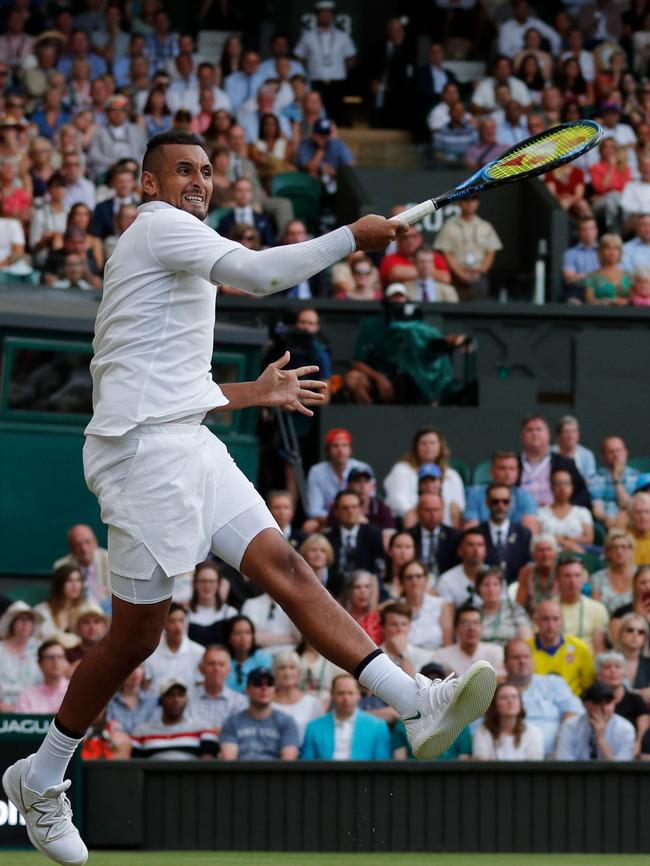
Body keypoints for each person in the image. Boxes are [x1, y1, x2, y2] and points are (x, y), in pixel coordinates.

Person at [4, 130, 495, 866]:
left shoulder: (181, 246)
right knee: (136, 637)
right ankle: (41, 775)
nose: (198, 181)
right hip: (142, 458)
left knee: (288, 569)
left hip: (188, 442)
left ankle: (415, 703)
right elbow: (264, 276)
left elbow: (163, 380)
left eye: (206, 171)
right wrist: (355, 237)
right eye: (182, 171)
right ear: (146, 183)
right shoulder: (157, 227)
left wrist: (248, 392)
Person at [505, 639, 583, 757]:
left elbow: (574, 714)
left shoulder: (554, 683)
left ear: (533, 661)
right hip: (509, 760)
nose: (522, 661)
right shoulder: (495, 691)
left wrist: (561, 747)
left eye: (526, 657)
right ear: (505, 663)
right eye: (516, 658)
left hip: (554, 758)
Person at [384, 427, 465, 527]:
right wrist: (423, 517)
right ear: (416, 447)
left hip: (444, 527)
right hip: (410, 524)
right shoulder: (401, 469)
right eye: (423, 443)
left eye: (432, 443)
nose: (428, 447)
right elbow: (396, 501)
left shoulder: (452, 475)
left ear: (441, 446)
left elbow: (458, 505)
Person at [301, 673, 391, 760]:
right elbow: (306, 767)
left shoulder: (378, 727)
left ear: (358, 695)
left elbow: (382, 766)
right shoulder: (313, 728)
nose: (346, 698)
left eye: (350, 693)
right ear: (332, 695)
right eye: (340, 693)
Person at [293, 1, 357, 123]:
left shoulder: (343, 36)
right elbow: (299, 56)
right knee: (316, 112)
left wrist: (340, 70)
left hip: (337, 82)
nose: (326, 16)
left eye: (329, 13)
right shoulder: (308, 36)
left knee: (338, 114)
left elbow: (351, 58)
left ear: (333, 15)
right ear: (317, 15)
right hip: (316, 81)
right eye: (323, 13)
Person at [220, 666, 300, 760]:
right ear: (247, 690)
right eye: (258, 683)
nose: (264, 688)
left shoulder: (287, 722)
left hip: (276, 774)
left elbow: (288, 762)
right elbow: (229, 760)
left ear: (274, 689)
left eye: (269, 684)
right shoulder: (232, 722)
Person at [433, 195, 502, 301]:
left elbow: (491, 252)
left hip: (479, 276)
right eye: (465, 199)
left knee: (480, 308)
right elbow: (446, 252)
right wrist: (459, 273)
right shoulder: (449, 226)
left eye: (473, 199)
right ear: (458, 203)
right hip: (456, 277)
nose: (469, 203)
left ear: (478, 202)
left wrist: (481, 271)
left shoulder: (485, 226)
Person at [131, 677, 218, 760]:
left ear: (186, 700)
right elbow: (135, 767)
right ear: (161, 700)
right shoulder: (141, 732)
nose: (176, 700)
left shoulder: (202, 729)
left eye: (181, 695)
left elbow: (208, 766)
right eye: (170, 695)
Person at [304, 428, 373, 531]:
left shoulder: (363, 468)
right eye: (335, 446)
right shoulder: (317, 471)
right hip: (329, 519)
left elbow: (370, 500)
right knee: (310, 526)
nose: (340, 450)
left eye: (344, 445)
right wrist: (341, 517)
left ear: (350, 449)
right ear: (328, 450)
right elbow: (314, 510)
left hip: (357, 516)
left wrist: (353, 515)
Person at [517, 414, 590, 509]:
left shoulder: (565, 463)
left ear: (548, 435)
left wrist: (564, 512)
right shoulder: (512, 464)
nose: (534, 434)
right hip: (521, 517)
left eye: (539, 429)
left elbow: (582, 495)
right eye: (529, 430)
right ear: (522, 437)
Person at [555, 681, 636, 761]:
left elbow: (621, 770)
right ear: (585, 704)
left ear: (614, 703)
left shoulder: (625, 729)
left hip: (609, 774)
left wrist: (601, 739)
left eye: (607, 702)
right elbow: (564, 764)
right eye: (597, 703)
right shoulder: (570, 726)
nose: (603, 708)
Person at [529, 600, 595, 696]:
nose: (550, 625)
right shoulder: (525, 650)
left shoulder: (580, 648)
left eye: (555, 619)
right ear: (536, 621)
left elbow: (589, 686)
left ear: (562, 621)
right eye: (545, 619)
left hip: (573, 706)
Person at [464, 451, 539, 534]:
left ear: (518, 473)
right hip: (483, 543)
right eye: (502, 468)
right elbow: (470, 529)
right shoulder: (475, 494)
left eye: (512, 469)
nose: (507, 473)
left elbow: (530, 532)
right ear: (492, 472)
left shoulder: (526, 496)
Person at [325, 490, 386, 592]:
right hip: (335, 592)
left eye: (354, 507)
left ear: (360, 510)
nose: (350, 511)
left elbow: (379, 568)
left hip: (367, 590)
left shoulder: (373, 533)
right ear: (336, 512)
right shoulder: (328, 538)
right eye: (345, 508)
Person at [477, 482, 532, 584]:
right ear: (487, 503)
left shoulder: (524, 535)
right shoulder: (477, 534)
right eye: (495, 502)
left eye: (505, 501)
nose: (500, 506)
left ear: (511, 504)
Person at [472, 682, 544, 760]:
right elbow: (482, 767)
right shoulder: (482, 732)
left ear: (520, 702)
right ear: (494, 704)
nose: (510, 701)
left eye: (514, 697)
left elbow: (535, 768)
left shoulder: (534, 732)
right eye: (504, 698)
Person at [596, 651, 649, 755]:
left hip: (631, 753)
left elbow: (644, 732)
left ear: (624, 673)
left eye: (618, 667)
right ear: (599, 675)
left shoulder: (636, 699)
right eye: (607, 667)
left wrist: (637, 747)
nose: (613, 671)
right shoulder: (593, 701)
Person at [143, 603, 204, 693]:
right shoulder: (151, 652)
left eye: (181, 620)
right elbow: (146, 686)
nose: (178, 627)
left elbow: (201, 685)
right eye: (172, 621)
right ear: (164, 624)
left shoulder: (199, 652)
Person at [188, 645, 248, 734]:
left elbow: (241, 732)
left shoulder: (239, 701)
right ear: (201, 669)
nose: (216, 669)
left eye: (221, 664)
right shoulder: (188, 697)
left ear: (228, 670)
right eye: (211, 664)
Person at [555, 556, 609, 655]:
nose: (572, 581)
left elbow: (599, 649)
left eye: (577, 575)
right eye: (567, 576)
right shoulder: (547, 608)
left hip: (587, 664)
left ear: (583, 578)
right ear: (557, 579)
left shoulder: (598, 609)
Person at [87, 95, 147, 182]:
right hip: (110, 172)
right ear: (107, 113)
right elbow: (94, 156)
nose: (118, 114)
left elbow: (144, 152)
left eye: (122, 111)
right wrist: (113, 163)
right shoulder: (99, 132)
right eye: (114, 111)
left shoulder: (136, 130)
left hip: (134, 170)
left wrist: (136, 164)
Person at [434, 605, 506, 677]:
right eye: (465, 623)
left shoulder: (495, 652)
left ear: (482, 627)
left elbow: (501, 679)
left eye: (476, 623)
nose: (471, 628)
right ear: (456, 628)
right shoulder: (442, 656)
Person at [398, 560, 453, 652]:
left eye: (418, 576)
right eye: (409, 577)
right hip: (405, 659)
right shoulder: (396, 606)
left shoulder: (440, 605)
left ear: (426, 579)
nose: (414, 580)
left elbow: (448, 643)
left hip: (434, 659)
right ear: (402, 582)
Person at [271, 650, 324, 744]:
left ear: (299, 672)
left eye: (292, 667)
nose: (287, 673)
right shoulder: (267, 703)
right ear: (275, 672)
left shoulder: (313, 703)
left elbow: (320, 735)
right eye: (282, 668)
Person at [537, 469, 595, 554]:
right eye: (558, 484)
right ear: (551, 487)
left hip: (579, 552)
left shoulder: (583, 512)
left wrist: (563, 540)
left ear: (572, 487)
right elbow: (538, 538)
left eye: (566, 483)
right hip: (548, 555)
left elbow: (588, 539)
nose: (562, 488)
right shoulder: (540, 512)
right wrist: (569, 542)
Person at [589, 435, 640, 530]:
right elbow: (597, 509)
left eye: (619, 451)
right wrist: (607, 519)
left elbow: (627, 505)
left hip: (633, 522)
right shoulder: (595, 479)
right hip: (606, 524)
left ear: (625, 453)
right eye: (611, 452)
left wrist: (616, 479)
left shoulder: (637, 477)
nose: (616, 455)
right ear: (603, 456)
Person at [53, 524, 110, 609]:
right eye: (78, 544)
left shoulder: (109, 560)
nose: (84, 549)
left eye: (87, 542)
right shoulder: (62, 567)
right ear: (71, 548)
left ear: (95, 542)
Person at [0, 602, 44, 712]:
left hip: (37, 707)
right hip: (3, 708)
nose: (25, 623)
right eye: (20, 619)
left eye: (29, 620)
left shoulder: (41, 648)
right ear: (11, 623)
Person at [407, 492, 461, 580]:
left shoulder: (454, 536)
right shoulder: (409, 536)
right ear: (418, 512)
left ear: (442, 512)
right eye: (428, 510)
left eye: (436, 510)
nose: (432, 515)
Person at [186, 561, 237, 647]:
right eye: (203, 581)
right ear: (195, 584)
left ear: (218, 584)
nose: (207, 585)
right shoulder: (185, 613)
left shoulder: (231, 613)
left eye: (212, 581)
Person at [476, 568, 532, 647]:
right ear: (478, 588)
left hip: (510, 656)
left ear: (501, 588)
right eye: (486, 584)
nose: (491, 589)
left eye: (495, 584)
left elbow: (527, 640)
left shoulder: (514, 609)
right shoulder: (473, 612)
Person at [217, 177, 276, 248]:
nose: (243, 194)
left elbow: (270, 243)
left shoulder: (264, 219)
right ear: (233, 192)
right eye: (239, 190)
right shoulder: (225, 221)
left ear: (252, 193)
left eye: (247, 190)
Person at [15, 640, 70, 715]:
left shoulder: (75, 693)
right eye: (50, 657)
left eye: (60, 657)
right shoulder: (27, 696)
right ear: (40, 663)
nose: (55, 661)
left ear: (66, 661)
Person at [35, 564, 86, 642]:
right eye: (69, 581)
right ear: (59, 584)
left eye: (78, 580)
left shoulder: (87, 609)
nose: (75, 585)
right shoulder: (42, 611)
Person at [437, 530, 487, 608]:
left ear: (485, 550)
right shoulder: (447, 580)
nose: (476, 550)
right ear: (460, 551)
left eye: (480, 545)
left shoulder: (495, 577)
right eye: (470, 545)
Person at [241, 590, 301, 656]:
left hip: (290, 655)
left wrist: (265, 637)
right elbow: (253, 638)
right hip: (260, 657)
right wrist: (289, 638)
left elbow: (298, 638)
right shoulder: (251, 604)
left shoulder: (292, 604)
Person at [224, 615, 274, 694]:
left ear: (253, 636)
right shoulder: (222, 659)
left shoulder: (263, 658)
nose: (243, 637)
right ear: (229, 637)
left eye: (247, 632)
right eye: (238, 633)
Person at [591, 530, 635, 615]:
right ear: (608, 552)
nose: (619, 551)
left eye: (624, 547)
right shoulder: (597, 578)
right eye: (614, 547)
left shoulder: (641, 576)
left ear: (631, 551)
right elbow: (595, 609)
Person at [106, 664, 158, 735]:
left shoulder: (153, 701)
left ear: (144, 672)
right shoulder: (110, 702)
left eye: (139, 666)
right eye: (130, 667)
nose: (135, 671)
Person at [516, 534, 560, 615]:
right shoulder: (526, 572)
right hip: (532, 618)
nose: (545, 554)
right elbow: (519, 604)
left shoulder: (562, 572)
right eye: (541, 550)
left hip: (557, 619)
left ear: (556, 553)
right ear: (533, 555)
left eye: (549, 550)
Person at [610, 566, 650, 651]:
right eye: (643, 583)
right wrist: (638, 617)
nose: (648, 587)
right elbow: (616, 645)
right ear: (635, 586)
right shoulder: (621, 613)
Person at [584, 233, 631, 306]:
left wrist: (625, 301)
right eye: (608, 248)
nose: (612, 251)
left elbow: (635, 298)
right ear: (601, 251)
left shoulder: (629, 276)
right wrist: (606, 302)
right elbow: (589, 300)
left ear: (620, 252)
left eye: (616, 248)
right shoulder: (592, 276)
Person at [561, 217, 600, 303]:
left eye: (591, 228)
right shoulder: (570, 253)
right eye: (584, 229)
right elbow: (569, 278)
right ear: (579, 232)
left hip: (601, 289)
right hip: (579, 291)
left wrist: (582, 276)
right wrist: (596, 276)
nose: (588, 233)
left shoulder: (605, 251)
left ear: (596, 230)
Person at [614, 613, 650, 703]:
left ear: (645, 638)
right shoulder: (609, 660)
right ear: (620, 633)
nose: (635, 634)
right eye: (630, 630)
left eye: (641, 632)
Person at [341, 570, 382, 643]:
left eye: (367, 587)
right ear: (349, 591)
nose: (363, 591)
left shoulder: (378, 619)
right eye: (357, 587)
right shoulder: (341, 617)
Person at [65, 603, 109, 671]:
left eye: (96, 622)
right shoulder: (67, 655)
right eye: (86, 622)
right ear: (77, 627)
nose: (92, 627)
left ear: (104, 627)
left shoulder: (112, 653)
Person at [551, 416, 597, 482]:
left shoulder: (587, 455)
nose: (570, 436)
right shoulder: (549, 453)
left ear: (578, 434)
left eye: (573, 431)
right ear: (559, 436)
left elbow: (590, 480)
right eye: (566, 432)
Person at [627, 492, 650, 565]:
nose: (643, 517)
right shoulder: (623, 538)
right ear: (630, 515)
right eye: (638, 512)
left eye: (647, 512)